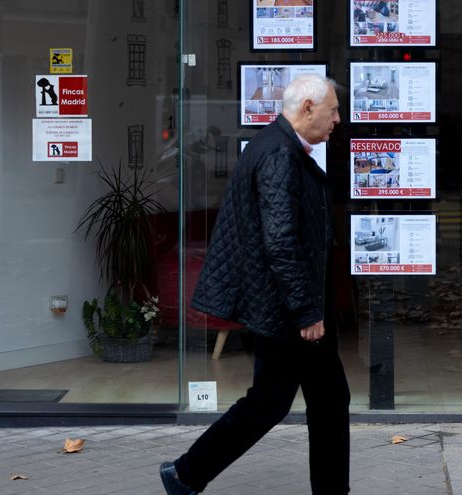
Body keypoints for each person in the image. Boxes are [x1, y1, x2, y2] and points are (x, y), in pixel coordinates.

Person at [159, 74, 349, 494]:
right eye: (332, 110)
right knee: (280, 402)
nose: (337, 119)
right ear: (307, 109)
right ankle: (186, 473)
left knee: (314, 401)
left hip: (286, 306)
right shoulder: (279, 155)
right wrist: (306, 311)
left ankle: (187, 474)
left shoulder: (280, 147)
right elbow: (280, 242)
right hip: (287, 310)